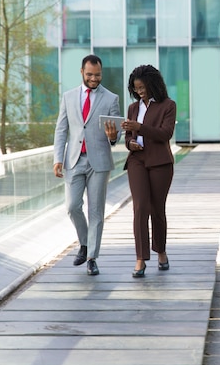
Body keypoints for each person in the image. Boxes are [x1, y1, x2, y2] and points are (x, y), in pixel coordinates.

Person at [53, 54, 121, 276]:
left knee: (96, 211)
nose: (94, 78)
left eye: (98, 74)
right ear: (82, 72)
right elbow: (62, 130)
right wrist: (58, 159)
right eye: (90, 74)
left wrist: (113, 136)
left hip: (99, 162)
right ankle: (84, 243)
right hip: (73, 160)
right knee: (72, 206)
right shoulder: (68, 97)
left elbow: (116, 134)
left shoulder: (111, 99)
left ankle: (92, 257)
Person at [121, 65, 176, 277]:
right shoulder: (133, 108)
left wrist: (139, 128)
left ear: (153, 84)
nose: (139, 92)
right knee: (140, 207)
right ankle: (140, 258)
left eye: (142, 87)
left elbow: (165, 134)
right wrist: (130, 143)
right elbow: (128, 136)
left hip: (160, 162)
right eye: (136, 88)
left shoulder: (168, 105)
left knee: (157, 208)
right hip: (137, 160)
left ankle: (161, 251)